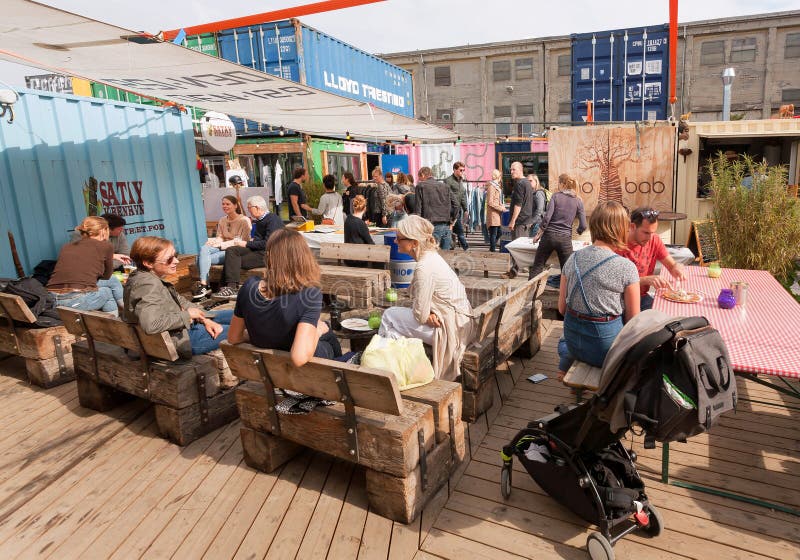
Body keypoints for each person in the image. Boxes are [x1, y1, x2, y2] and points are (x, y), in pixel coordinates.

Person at [227, 229, 343, 366]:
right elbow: (299, 358)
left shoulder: (248, 287)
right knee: (328, 334)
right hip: (304, 371)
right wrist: (318, 331)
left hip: (269, 370)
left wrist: (260, 336)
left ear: (269, 257)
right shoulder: (309, 293)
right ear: (303, 257)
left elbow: (234, 338)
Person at [379, 216, 473, 380]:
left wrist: (426, 313)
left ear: (414, 243)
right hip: (460, 323)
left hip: (450, 329)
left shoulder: (424, 266)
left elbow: (419, 315)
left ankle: (383, 366)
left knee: (389, 316)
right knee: (393, 332)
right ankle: (396, 369)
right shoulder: (432, 257)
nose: (395, 242)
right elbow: (424, 310)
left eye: (399, 238)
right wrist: (428, 312)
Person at [556, 201, 640, 381]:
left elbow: (562, 309)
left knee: (564, 340)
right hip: (605, 352)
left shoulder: (573, 259)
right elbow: (633, 323)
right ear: (619, 229)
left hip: (573, 342)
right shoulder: (627, 267)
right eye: (627, 226)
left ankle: (565, 361)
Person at [124, 236, 231, 358]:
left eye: (176, 255)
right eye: (169, 259)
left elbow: (182, 302)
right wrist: (188, 315)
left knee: (239, 315)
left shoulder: (145, 276)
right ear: (148, 263)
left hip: (177, 331)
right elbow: (151, 325)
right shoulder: (148, 284)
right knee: (241, 330)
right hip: (176, 341)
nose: (176, 261)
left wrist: (204, 319)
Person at [616, 207, 687, 310]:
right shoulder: (618, 245)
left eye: (653, 232)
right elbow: (615, 283)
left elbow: (672, 266)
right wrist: (645, 280)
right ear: (632, 227)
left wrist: (677, 267)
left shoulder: (654, 239)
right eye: (646, 233)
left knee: (673, 312)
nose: (650, 238)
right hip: (621, 301)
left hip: (642, 298)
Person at [215, 195, 285, 299]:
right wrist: (249, 242)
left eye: (249, 208)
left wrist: (246, 244)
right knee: (231, 251)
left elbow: (268, 244)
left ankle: (230, 287)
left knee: (233, 261)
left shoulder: (272, 220)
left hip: (270, 254)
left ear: (257, 208)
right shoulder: (259, 220)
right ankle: (227, 287)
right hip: (259, 250)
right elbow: (259, 240)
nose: (248, 211)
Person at [48, 216, 119, 315]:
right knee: (107, 292)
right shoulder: (106, 246)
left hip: (52, 299)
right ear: (103, 230)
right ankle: (118, 322)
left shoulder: (66, 247)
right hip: (75, 300)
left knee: (111, 282)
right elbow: (106, 276)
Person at [528, 173, 588, 280]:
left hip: (549, 236)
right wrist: (578, 231)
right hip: (565, 239)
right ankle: (566, 296)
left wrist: (538, 234)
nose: (557, 186)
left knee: (537, 267)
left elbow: (547, 218)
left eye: (558, 183)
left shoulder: (556, 196)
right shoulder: (578, 201)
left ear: (562, 184)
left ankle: (530, 295)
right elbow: (583, 225)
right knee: (567, 271)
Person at [193, 195, 251, 301]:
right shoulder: (222, 220)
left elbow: (243, 241)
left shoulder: (244, 220)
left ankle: (206, 287)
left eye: (227, 204)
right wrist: (214, 242)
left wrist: (221, 245)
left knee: (199, 259)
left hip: (233, 251)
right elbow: (220, 237)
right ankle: (204, 285)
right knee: (204, 248)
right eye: (223, 204)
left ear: (235, 205)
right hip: (222, 247)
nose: (224, 206)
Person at [413, 166, 459, 250]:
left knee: (430, 256)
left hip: (429, 226)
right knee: (445, 258)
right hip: (446, 226)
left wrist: (417, 227)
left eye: (419, 177)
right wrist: (452, 221)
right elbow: (456, 205)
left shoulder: (421, 186)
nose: (419, 180)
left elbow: (418, 210)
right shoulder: (445, 186)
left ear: (423, 175)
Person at [506, 162, 534, 277]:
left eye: (514, 170)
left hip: (520, 221)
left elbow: (518, 204)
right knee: (522, 248)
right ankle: (517, 270)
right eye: (511, 170)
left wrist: (512, 221)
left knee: (516, 249)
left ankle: (514, 272)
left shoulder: (520, 184)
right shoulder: (527, 182)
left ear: (520, 170)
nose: (511, 172)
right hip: (526, 220)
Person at [443, 161, 470, 251]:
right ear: (455, 170)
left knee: (454, 231)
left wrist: (465, 209)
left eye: (463, 170)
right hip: (451, 210)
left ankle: (451, 248)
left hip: (458, 210)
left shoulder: (460, 181)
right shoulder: (448, 181)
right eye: (461, 170)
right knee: (459, 232)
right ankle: (466, 249)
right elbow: (445, 196)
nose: (462, 172)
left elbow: (462, 196)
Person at [343, 194, 374, 267]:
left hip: (348, 258)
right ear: (365, 208)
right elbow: (370, 243)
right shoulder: (361, 223)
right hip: (359, 259)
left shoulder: (348, 219)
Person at [485, 169, 506, 252]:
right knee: (494, 233)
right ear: (499, 177)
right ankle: (492, 250)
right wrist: (501, 208)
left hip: (497, 214)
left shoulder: (496, 186)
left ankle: (492, 248)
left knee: (498, 233)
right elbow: (490, 202)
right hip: (493, 214)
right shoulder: (492, 187)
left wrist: (501, 206)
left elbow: (497, 200)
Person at [527, 174, 547, 238]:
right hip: (535, 223)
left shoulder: (539, 193)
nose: (529, 183)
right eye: (528, 181)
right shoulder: (533, 192)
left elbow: (540, 209)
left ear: (536, 181)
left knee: (534, 244)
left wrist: (532, 221)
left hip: (538, 223)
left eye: (531, 181)